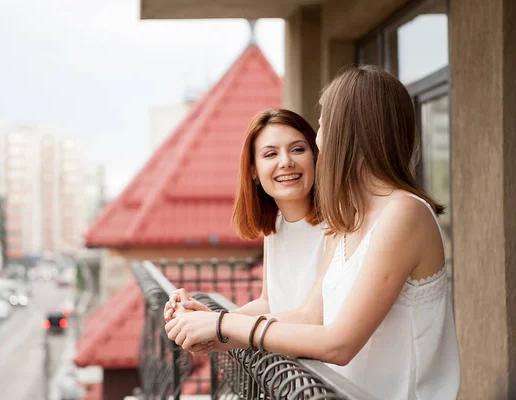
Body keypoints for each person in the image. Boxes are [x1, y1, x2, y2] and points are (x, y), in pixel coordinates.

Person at [165, 65, 460, 399]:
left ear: (348, 132)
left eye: (322, 124)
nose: (317, 138)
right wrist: (214, 328)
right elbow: (309, 316)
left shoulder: (404, 213)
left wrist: (224, 326)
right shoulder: (348, 219)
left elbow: (339, 343)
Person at [163, 108, 327, 353]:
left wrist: (220, 325)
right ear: (254, 171)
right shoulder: (275, 226)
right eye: (271, 154)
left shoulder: (339, 225)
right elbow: (268, 303)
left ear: (314, 157)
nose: (286, 162)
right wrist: (210, 323)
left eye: (298, 149)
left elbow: (314, 318)